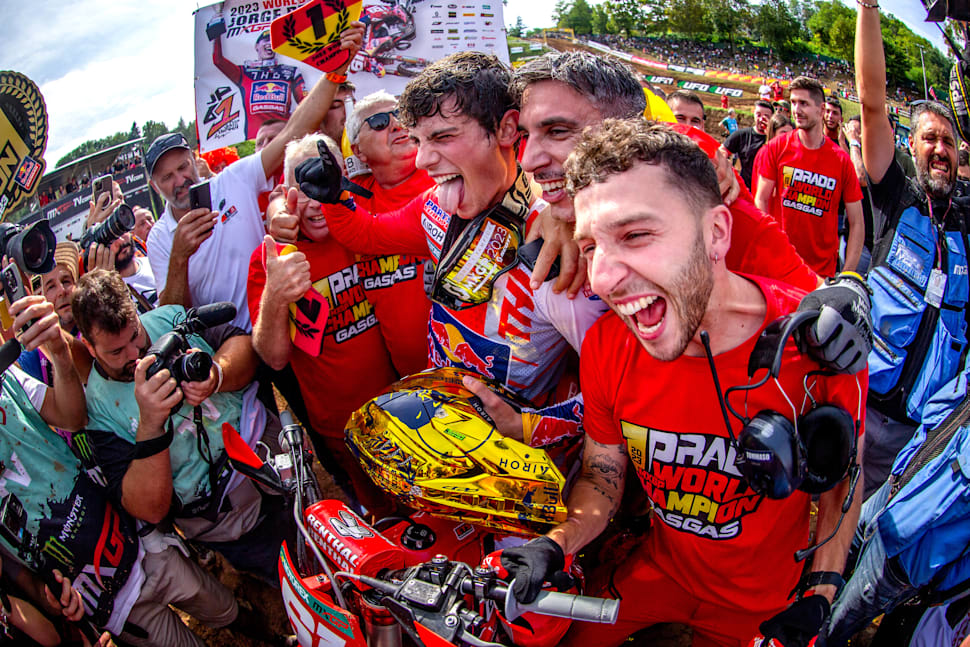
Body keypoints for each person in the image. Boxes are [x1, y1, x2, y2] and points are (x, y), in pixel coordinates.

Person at [500, 118, 865, 647]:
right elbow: (604, 471)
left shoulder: (817, 351)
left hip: (762, 605)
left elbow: (840, 484)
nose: (601, 277)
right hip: (660, 574)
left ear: (716, 233)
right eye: (593, 246)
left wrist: (820, 596)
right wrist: (558, 544)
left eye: (636, 234)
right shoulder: (607, 344)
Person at [271, 51, 601, 448]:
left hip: (529, 471)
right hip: (447, 436)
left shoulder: (558, 245)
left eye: (442, 137)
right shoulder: (434, 206)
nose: (423, 159)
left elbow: (618, 391)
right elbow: (369, 235)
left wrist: (529, 426)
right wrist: (333, 198)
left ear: (507, 129)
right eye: (418, 140)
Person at [513, 51, 872, 375]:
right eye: (525, 134)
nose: (528, 159)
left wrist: (849, 295)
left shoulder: (704, 189)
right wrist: (558, 214)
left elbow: (818, 302)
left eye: (557, 131)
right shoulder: (552, 210)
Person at [1, 294, 240, 647]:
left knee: (225, 607)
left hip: (135, 541)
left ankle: (272, 634)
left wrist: (59, 353)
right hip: (98, 596)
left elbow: (71, 416)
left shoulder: (7, 382)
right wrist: (38, 592)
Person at [71, 269, 291, 585]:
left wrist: (216, 374)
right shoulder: (98, 410)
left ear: (134, 310)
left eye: (135, 336)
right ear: (90, 348)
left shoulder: (170, 320)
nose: (135, 356)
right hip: (223, 515)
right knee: (286, 573)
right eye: (116, 352)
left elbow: (243, 345)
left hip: (267, 450)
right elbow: (147, 508)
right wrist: (150, 425)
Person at [146, 23, 363, 332]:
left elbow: (293, 131)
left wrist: (335, 71)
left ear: (195, 162)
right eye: (167, 177)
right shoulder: (158, 237)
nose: (180, 180)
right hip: (223, 353)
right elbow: (168, 318)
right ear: (155, 187)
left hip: (273, 328)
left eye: (183, 167)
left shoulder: (233, 179)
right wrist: (179, 255)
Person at [854, 3, 970, 497]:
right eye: (929, 139)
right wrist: (868, 7)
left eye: (948, 141)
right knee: (821, 528)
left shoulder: (967, 217)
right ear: (913, 146)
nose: (939, 149)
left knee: (870, 545)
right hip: (860, 406)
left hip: (918, 434)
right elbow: (872, 101)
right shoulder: (895, 193)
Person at [248, 133, 398, 511]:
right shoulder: (272, 257)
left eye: (325, 182)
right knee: (391, 523)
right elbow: (274, 358)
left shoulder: (367, 223)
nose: (317, 203)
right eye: (305, 188)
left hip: (409, 409)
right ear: (287, 192)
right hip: (346, 430)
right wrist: (276, 294)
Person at [754, 76, 865, 276]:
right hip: (781, 265)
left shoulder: (841, 160)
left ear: (821, 110)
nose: (796, 110)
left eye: (803, 103)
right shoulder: (776, 148)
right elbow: (761, 201)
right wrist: (766, 250)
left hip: (822, 274)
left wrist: (847, 275)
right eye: (794, 102)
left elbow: (857, 222)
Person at [209, 25, 306, 140]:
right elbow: (218, 60)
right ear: (256, 46)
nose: (270, 43)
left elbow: (306, 102)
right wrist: (216, 26)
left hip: (283, 140)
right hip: (255, 142)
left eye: (273, 41)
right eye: (266, 40)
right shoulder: (244, 72)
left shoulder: (291, 71)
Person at [720, 99, 774, 189]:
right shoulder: (742, 135)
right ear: (754, 114)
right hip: (746, 188)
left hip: (767, 189)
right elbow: (721, 151)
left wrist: (770, 134)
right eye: (758, 115)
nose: (761, 119)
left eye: (766, 116)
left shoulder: (776, 139)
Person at [749, 113, 794, 195]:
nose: (787, 137)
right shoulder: (766, 152)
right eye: (783, 133)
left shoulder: (789, 155)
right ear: (773, 133)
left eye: (790, 133)